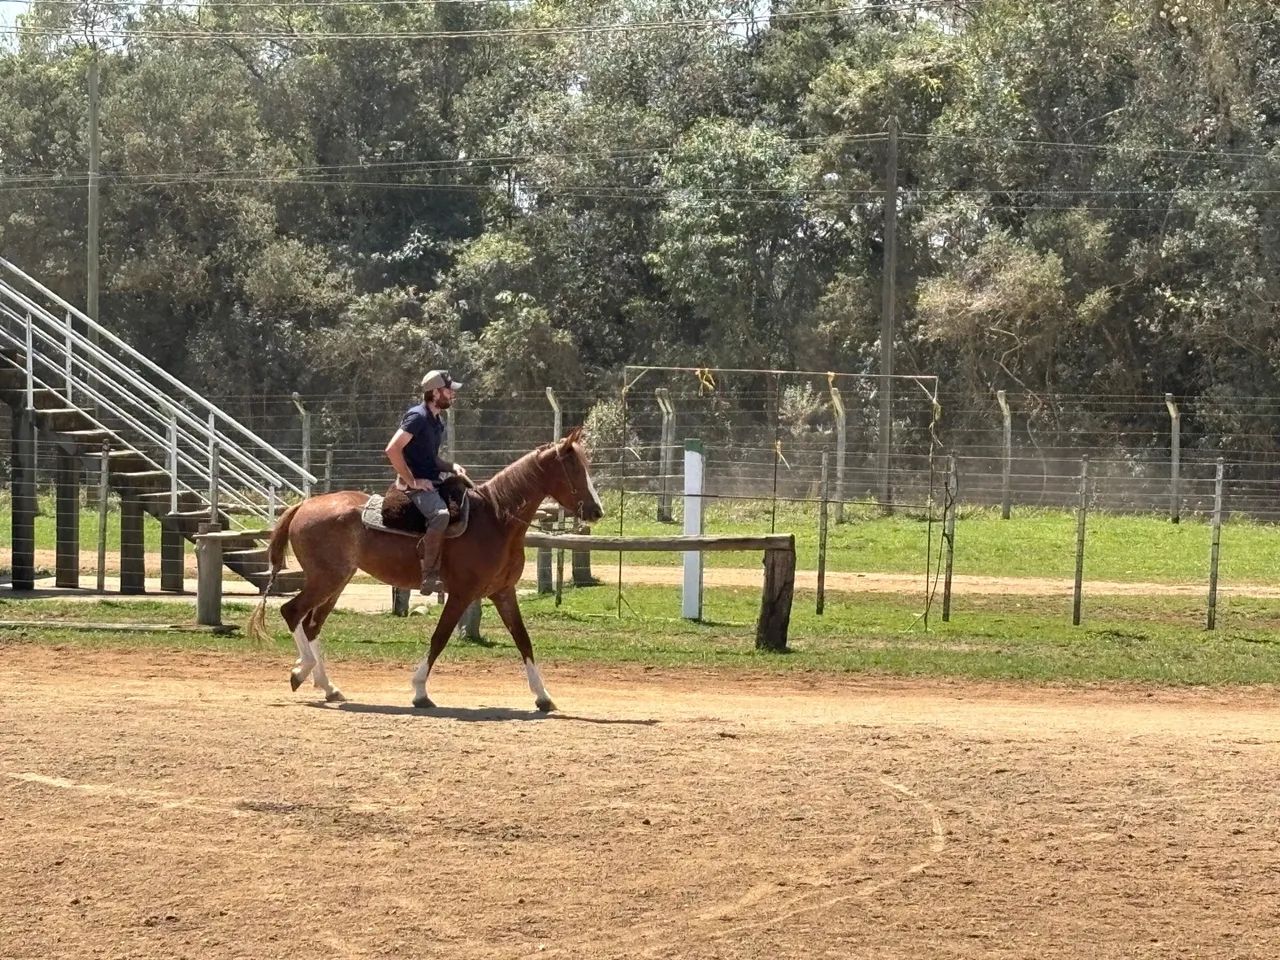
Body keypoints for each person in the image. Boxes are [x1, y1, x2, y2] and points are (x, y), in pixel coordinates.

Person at [384, 369, 468, 594]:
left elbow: (431, 459)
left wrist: (452, 467)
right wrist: (413, 482)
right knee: (441, 516)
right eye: (449, 391)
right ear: (434, 392)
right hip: (414, 486)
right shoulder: (418, 417)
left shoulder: (436, 420)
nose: (452, 395)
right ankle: (429, 574)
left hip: (432, 481)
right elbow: (392, 449)